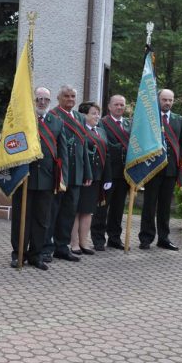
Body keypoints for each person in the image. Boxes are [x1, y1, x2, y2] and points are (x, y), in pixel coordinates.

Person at [10, 87, 68, 270]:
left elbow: (63, 153)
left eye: (46, 99)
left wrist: (62, 178)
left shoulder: (56, 122)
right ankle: (18, 253)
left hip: (47, 179)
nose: (42, 102)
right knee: (22, 219)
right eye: (38, 99)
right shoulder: (22, 120)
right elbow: (12, 147)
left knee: (42, 220)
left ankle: (36, 255)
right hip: (24, 178)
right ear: (32, 100)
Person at [44, 84, 92, 262]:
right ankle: (46, 248)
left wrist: (87, 171)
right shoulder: (53, 115)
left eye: (73, 96)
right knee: (53, 211)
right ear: (59, 98)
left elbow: (84, 145)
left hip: (77, 172)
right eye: (66, 96)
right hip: (60, 172)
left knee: (69, 212)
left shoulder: (80, 116)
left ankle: (62, 247)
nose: (70, 99)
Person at [140, 89, 182, 251]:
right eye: (164, 100)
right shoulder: (150, 119)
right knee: (149, 205)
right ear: (158, 100)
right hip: (153, 169)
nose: (167, 103)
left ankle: (163, 238)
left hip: (171, 171)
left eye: (170, 100)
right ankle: (146, 238)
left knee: (164, 207)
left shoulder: (178, 120)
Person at [71, 102, 111, 255]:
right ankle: (73, 243)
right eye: (93, 113)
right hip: (81, 177)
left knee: (88, 211)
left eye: (98, 113)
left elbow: (106, 155)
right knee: (76, 210)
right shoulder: (79, 130)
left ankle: (84, 242)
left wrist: (107, 178)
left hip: (96, 178)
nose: (97, 116)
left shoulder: (101, 131)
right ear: (83, 115)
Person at [91, 95, 130, 250]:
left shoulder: (129, 124)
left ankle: (114, 238)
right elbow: (106, 144)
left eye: (122, 105)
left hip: (124, 173)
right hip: (107, 172)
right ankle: (98, 239)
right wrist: (126, 148)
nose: (119, 107)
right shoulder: (102, 123)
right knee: (102, 207)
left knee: (118, 208)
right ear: (109, 106)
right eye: (116, 104)